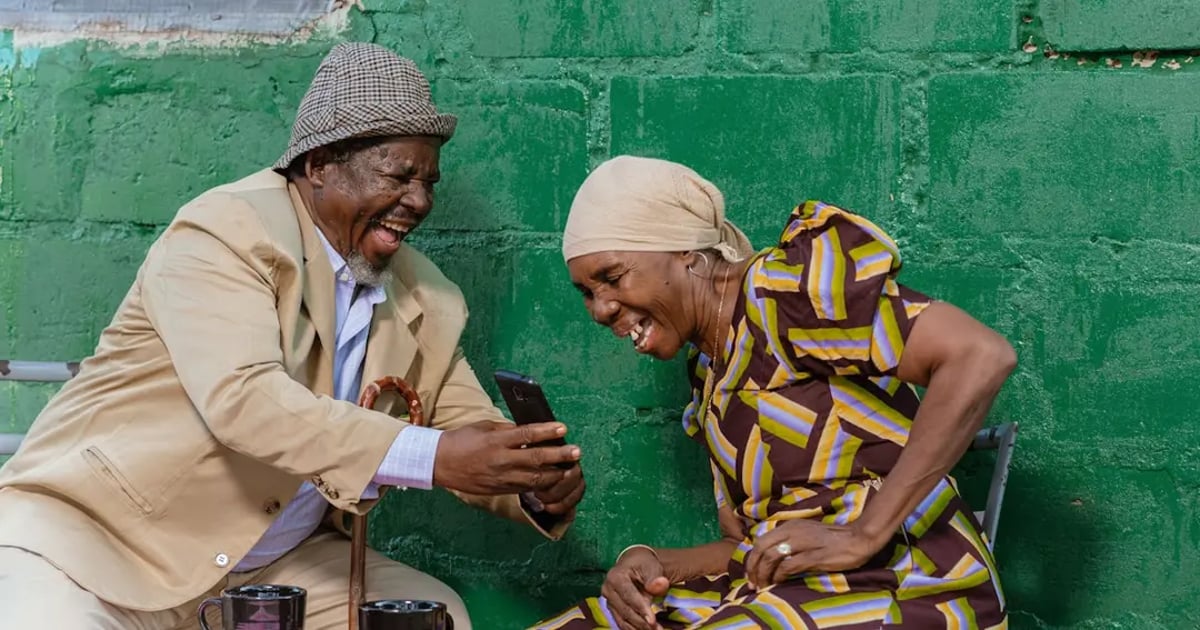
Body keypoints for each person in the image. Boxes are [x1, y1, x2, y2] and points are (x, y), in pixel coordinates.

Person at [0, 42, 585, 629]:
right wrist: (434, 457)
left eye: (429, 180)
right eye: (400, 175)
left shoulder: (426, 294)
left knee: (436, 618)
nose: (420, 201)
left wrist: (529, 481)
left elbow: (465, 432)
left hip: (272, 566)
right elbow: (245, 400)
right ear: (320, 165)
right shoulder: (225, 232)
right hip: (95, 550)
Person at [532, 156, 1014, 629]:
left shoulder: (780, 295)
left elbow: (979, 354)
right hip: (788, 591)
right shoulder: (709, 368)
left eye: (612, 279)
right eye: (587, 292)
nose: (600, 309)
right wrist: (651, 561)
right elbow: (749, 547)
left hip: (906, 583)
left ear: (684, 253)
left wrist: (866, 532)